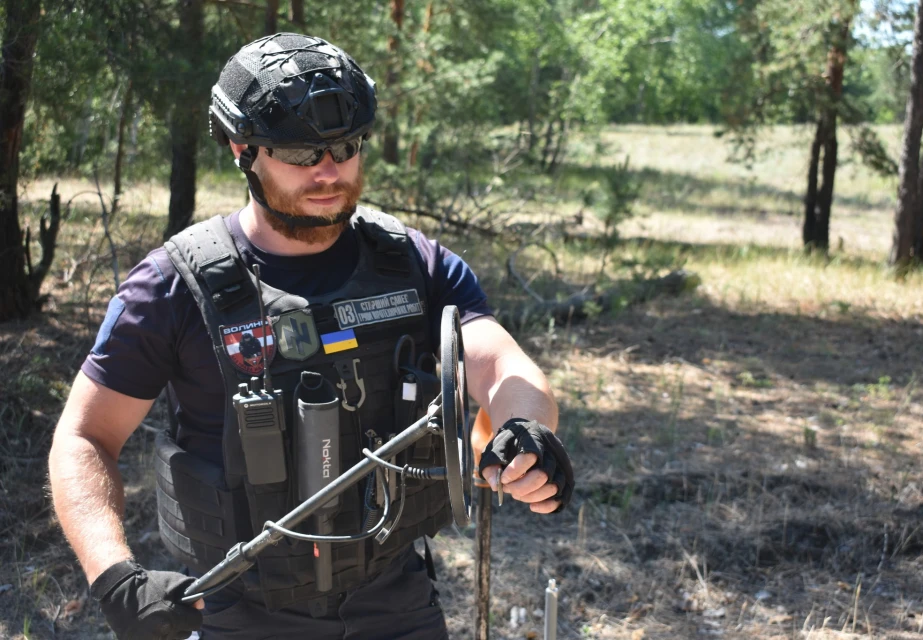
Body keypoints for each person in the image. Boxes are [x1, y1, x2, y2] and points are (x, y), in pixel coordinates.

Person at [48, 33, 574, 640]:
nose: (329, 172)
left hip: (396, 602)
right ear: (243, 149)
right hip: (240, 609)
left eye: (346, 147)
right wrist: (115, 577)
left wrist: (526, 428)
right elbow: (84, 437)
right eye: (301, 152)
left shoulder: (414, 265)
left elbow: (499, 364)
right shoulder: (172, 287)